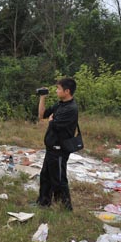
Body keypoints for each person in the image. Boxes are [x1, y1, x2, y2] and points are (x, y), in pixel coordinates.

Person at [36, 77, 79, 210]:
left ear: (67, 91)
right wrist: (42, 97)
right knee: (45, 177)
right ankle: (43, 202)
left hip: (59, 149)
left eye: (58, 89)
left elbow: (54, 124)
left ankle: (65, 207)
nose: (56, 91)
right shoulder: (60, 104)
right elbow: (42, 115)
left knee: (59, 179)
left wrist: (51, 120)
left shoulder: (71, 108)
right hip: (51, 148)